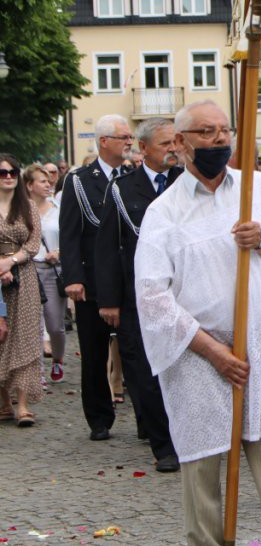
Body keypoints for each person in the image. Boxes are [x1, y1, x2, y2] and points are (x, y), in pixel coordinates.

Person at [135, 100, 261, 545]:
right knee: (202, 481)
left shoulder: (257, 190)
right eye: (206, 132)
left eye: (224, 131)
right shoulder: (164, 212)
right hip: (199, 357)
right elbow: (153, 297)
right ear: (180, 143)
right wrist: (213, 351)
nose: (219, 140)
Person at [95, 118, 182, 472]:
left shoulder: (187, 183)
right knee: (142, 369)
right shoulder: (122, 188)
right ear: (143, 149)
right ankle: (163, 445)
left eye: (176, 143)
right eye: (165, 144)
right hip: (139, 295)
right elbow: (107, 248)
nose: (173, 150)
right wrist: (109, 300)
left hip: (184, 291)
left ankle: (183, 434)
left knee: (181, 366)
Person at [60, 114, 134, 441]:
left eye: (131, 137)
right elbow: (70, 233)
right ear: (104, 141)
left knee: (134, 351)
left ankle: (148, 420)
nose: (130, 142)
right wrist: (73, 278)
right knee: (93, 353)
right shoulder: (78, 180)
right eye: (123, 137)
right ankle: (99, 419)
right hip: (90, 281)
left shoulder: (133, 176)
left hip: (126, 280)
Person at [0, 154, 42, 427]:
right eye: (2, 172)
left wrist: (10, 261)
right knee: (1, 338)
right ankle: (4, 402)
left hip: (23, 277)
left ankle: (23, 405)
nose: (8, 176)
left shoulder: (27, 206)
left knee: (25, 337)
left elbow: (34, 242)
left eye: (13, 172)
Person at [24, 164, 65, 382]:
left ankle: (57, 358)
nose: (48, 184)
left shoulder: (59, 208)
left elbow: (70, 237)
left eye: (49, 181)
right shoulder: (20, 211)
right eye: (42, 181)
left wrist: (59, 251)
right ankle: (37, 372)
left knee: (55, 324)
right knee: (34, 325)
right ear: (29, 185)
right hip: (29, 269)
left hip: (53, 270)